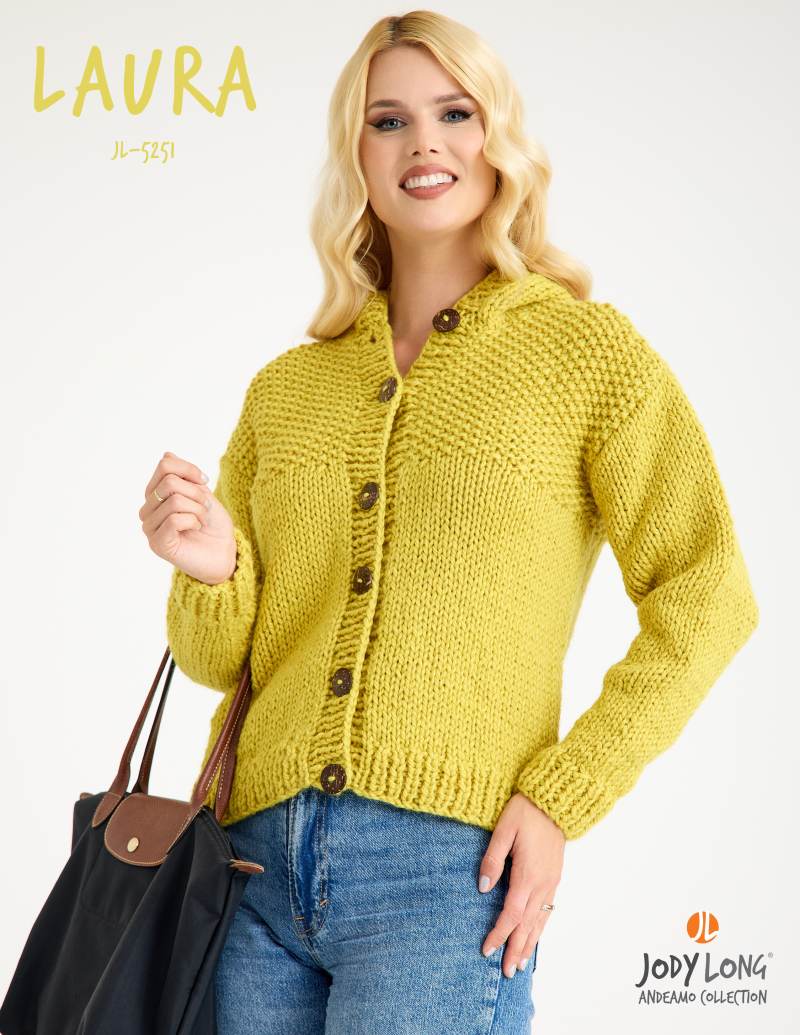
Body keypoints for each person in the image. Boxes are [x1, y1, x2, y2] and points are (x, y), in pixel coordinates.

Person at [139, 11, 759, 1033]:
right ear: (356, 154)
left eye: (454, 113)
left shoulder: (585, 356)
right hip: (245, 868)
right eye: (388, 120)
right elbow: (216, 660)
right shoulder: (287, 390)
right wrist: (208, 567)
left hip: (444, 872)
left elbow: (708, 593)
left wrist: (562, 794)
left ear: (497, 136)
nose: (423, 143)